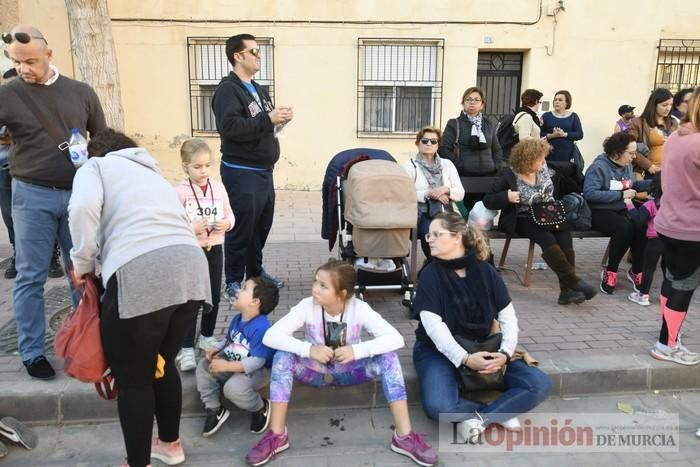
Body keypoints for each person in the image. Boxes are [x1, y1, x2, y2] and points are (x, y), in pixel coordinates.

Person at [68, 129, 211, 467]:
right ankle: (171, 445)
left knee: (133, 378)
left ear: (97, 152)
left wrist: (82, 262)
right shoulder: (153, 173)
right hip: (191, 269)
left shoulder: (96, 166)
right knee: (162, 363)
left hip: (141, 270)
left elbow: (83, 207)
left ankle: (138, 463)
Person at [245, 260, 437, 467]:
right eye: (316, 282)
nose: (314, 289)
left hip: (350, 371)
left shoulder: (359, 308)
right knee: (283, 356)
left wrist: (357, 350)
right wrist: (309, 349)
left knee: (389, 357)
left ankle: (404, 436)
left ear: (342, 294)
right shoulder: (307, 306)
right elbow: (271, 337)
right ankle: (277, 435)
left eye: (323, 286)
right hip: (315, 372)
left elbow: (396, 338)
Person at [0, 25, 106, 379]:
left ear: (49, 54)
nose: (23, 69)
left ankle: (83, 345)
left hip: (79, 194)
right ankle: (32, 352)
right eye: (16, 62)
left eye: (30, 61)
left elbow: (103, 140)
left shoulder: (80, 92)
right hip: (31, 194)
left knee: (82, 274)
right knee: (30, 276)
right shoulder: (7, 94)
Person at [412, 212, 551, 440]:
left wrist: (505, 354)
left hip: (486, 345)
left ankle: (483, 417)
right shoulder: (429, 275)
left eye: (436, 234)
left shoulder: (485, 271)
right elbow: (434, 328)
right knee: (439, 407)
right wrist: (466, 359)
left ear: (457, 237)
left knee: (539, 383)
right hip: (437, 351)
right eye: (428, 235)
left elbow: (508, 317)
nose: (429, 240)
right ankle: (503, 411)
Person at [212, 33, 292, 301]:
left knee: (260, 226)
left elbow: (263, 126)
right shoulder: (227, 90)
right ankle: (233, 281)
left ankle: (255, 273)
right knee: (241, 228)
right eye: (254, 52)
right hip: (241, 172)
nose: (259, 57)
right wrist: (268, 119)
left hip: (263, 171)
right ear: (238, 55)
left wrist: (279, 121)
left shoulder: (258, 89)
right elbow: (231, 128)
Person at [482, 139, 596, 305]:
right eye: (540, 160)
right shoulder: (509, 174)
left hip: (550, 214)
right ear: (527, 160)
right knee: (548, 240)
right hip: (524, 217)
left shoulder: (545, 170)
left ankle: (567, 290)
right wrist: (506, 197)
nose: (543, 163)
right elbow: (488, 200)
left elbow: (567, 182)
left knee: (565, 237)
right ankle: (573, 283)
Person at [175, 138, 235, 372]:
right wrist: (190, 228)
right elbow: (171, 223)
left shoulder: (218, 187)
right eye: (197, 167)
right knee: (191, 298)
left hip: (215, 248)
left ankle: (207, 336)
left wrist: (226, 224)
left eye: (207, 165)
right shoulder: (179, 192)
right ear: (185, 166)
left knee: (212, 295)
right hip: (190, 251)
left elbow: (231, 215)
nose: (203, 171)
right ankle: (187, 347)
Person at [650, 87, 700, 367]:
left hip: (668, 222)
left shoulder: (674, 139)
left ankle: (669, 338)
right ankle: (667, 343)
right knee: (683, 285)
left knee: (672, 280)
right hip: (692, 227)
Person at [196, 276, 278, 438]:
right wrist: (217, 349)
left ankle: (260, 407)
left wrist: (227, 367)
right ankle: (214, 408)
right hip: (236, 363)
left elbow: (257, 361)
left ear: (255, 302)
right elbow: (230, 341)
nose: (238, 291)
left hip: (258, 370)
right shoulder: (238, 318)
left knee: (232, 390)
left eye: (244, 289)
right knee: (204, 366)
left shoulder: (261, 327)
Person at [583, 132, 651, 294]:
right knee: (624, 227)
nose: (634, 157)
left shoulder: (626, 166)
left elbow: (629, 184)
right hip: (600, 212)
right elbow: (590, 193)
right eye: (631, 153)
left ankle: (636, 270)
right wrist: (620, 195)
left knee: (642, 223)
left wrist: (654, 182)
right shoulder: (599, 167)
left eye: (636, 153)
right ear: (617, 151)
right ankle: (611, 271)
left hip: (622, 208)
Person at [403, 126, 464, 260]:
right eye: (425, 141)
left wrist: (445, 190)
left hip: (447, 211)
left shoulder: (447, 164)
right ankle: (435, 265)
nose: (429, 144)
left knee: (459, 233)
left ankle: (451, 264)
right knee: (431, 233)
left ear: (438, 145)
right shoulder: (410, 165)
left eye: (433, 141)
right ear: (418, 143)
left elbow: (460, 193)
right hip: (422, 212)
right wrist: (428, 194)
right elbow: (405, 193)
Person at [439, 86, 502, 210]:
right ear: (463, 103)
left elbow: (497, 149)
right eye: (468, 99)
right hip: (465, 179)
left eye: (476, 100)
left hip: (488, 179)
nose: (472, 102)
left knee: (483, 216)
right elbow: (443, 150)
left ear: (482, 104)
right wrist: (461, 165)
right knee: (466, 214)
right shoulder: (454, 123)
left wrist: (497, 166)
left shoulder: (488, 124)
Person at [626, 173, 663, 306]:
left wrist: (629, 203)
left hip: (654, 239)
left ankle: (643, 295)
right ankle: (667, 296)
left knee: (648, 267)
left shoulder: (651, 204)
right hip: (670, 239)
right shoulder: (675, 203)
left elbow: (638, 220)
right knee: (668, 269)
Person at [629, 88, 678, 178]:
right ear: (654, 105)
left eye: (671, 105)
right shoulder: (638, 123)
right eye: (664, 105)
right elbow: (629, 148)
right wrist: (648, 165)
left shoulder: (673, 122)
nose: (668, 108)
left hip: (671, 170)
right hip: (649, 170)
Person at [540, 90, 583, 163]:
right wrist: (552, 135)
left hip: (567, 157)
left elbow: (579, 134)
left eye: (560, 100)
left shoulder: (573, 116)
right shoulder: (546, 116)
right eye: (555, 100)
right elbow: (539, 134)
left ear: (567, 103)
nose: (557, 102)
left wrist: (564, 134)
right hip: (548, 156)